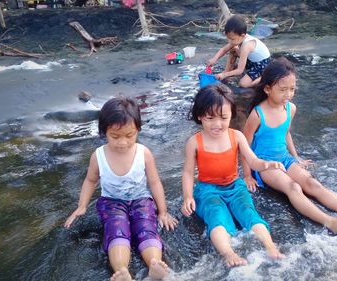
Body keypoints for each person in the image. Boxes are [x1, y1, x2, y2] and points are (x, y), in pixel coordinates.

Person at [242, 58, 337, 235]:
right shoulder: (257, 114)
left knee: (312, 183)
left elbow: (286, 133)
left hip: (285, 159)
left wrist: (295, 157)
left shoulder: (290, 109)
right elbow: (244, 145)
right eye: (282, 90)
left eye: (292, 89)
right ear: (267, 89)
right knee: (293, 187)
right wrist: (247, 175)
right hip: (264, 164)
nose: (288, 95)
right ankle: (331, 222)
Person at [64, 96, 178, 281]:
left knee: (146, 227)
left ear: (138, 130)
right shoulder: (98, 156)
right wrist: (82, 206)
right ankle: (122, 271)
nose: (122, 142)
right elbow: (90, 180)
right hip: (112, 203)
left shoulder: (143, 153)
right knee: (116, 229)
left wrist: (162, 211)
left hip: (141, 200)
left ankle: (154, 264)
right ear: (104, 132)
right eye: (115, 136)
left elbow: (155, 182)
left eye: (129, 135)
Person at [181, 84, 285, 267]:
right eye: (210, 118)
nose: (217, 124)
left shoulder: (236, 136)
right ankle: (229, 253)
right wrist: (188, 196)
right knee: (216, 217)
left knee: (249, 213)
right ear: (199, 116)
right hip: (208, 190)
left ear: (231, 115)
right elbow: (188, 172)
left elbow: (253, 161)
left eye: (223, 118)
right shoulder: (194, 142)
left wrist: (266, 164)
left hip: (235, 186)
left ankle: (270, 246)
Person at [206, 15, 271, 88]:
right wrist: (214, 59)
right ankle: (226, 72)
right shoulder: (239, 38)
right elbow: (224, 49)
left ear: (243, 35)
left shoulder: (247, 45)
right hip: (252, 60)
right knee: (233, 50)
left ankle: (264, 78)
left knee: (243, 84)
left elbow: (240, 70)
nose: (230, 41)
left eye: (232, 39)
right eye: (228, 38)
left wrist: (223, 75)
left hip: (262, 65)